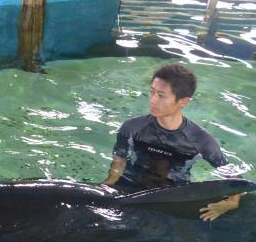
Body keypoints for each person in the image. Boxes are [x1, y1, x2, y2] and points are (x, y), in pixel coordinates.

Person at [102, 63, 241, 221]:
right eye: (152, 92)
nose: (153, 100)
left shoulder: (200, 139)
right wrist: (108, 185)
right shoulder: (132, 127)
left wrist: (231, 203)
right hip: (131, 187)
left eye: (161, 95)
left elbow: (234, 176)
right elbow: (119, 160)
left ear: (183, 101)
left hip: (172, 195)